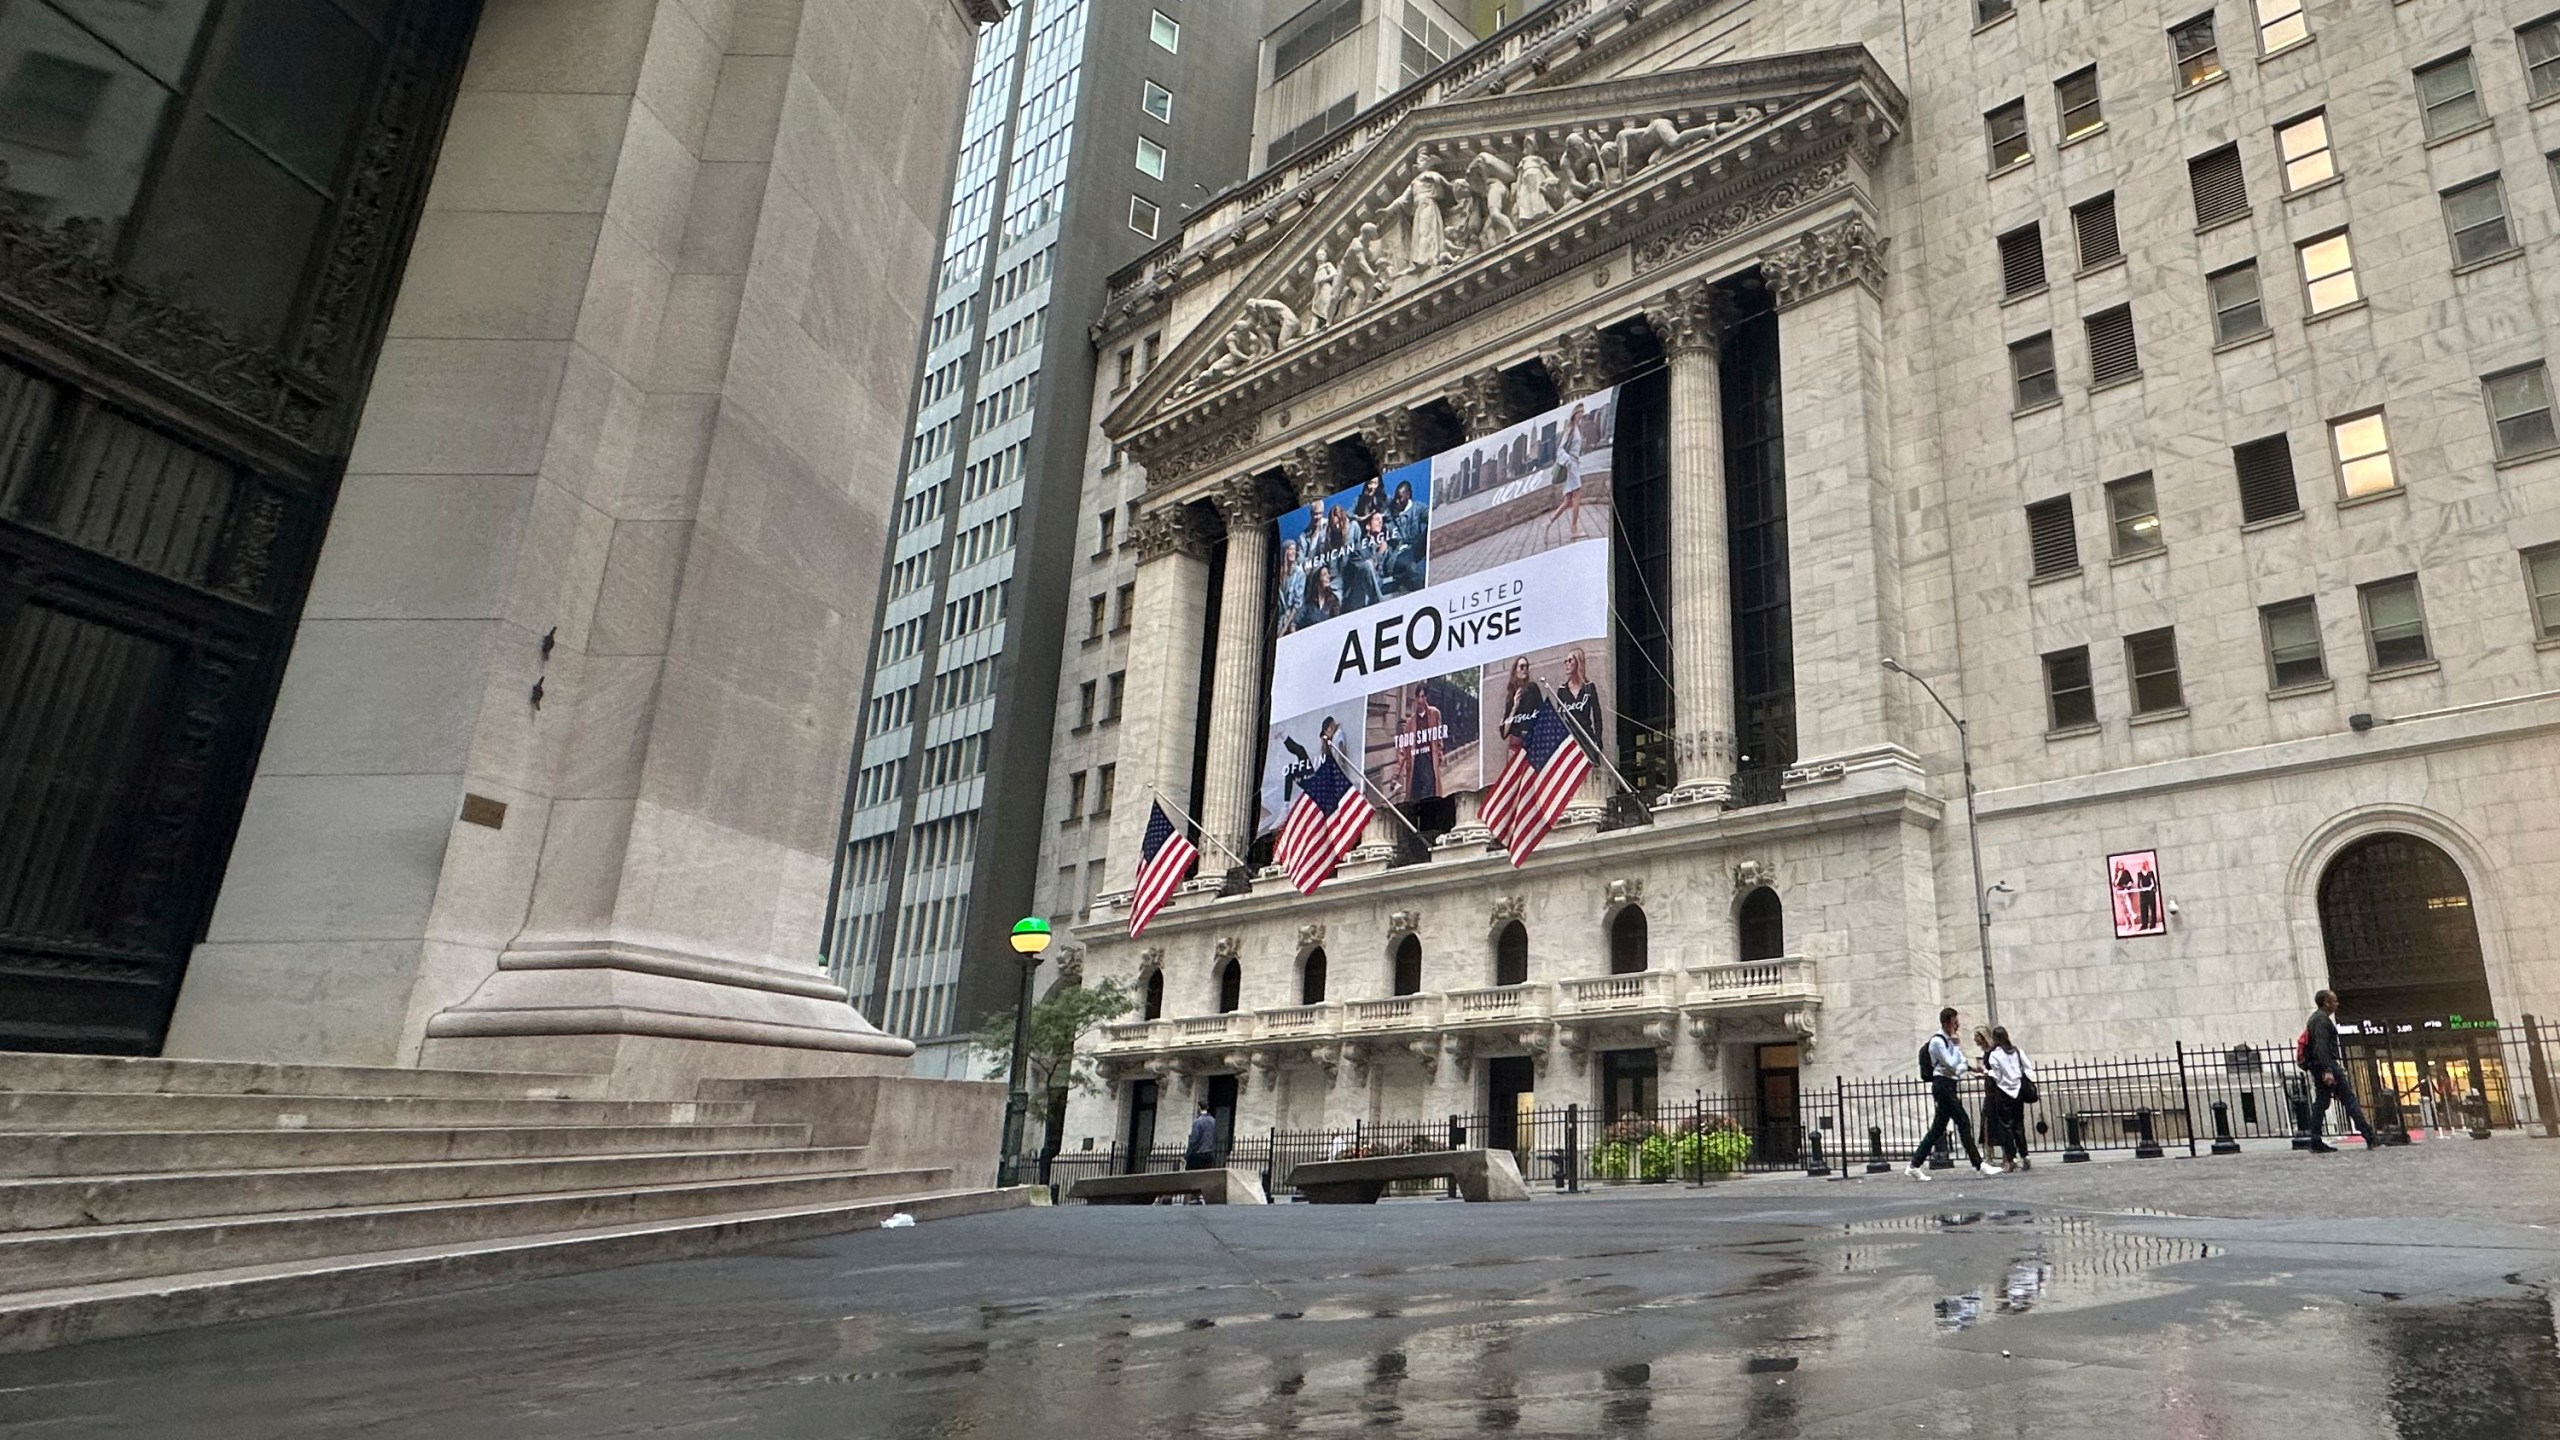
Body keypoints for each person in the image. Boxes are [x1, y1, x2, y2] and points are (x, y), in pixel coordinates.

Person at [1907, 1007, 2001, 1180]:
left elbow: (1960, 1063)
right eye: (1955, 1022)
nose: (1957, 1025)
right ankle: (1979, 1165)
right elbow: (1952, 1065)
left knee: (1937, 1129)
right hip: (1942, 1086)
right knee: (1963, 1122)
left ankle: (1914, 1165)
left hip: (1949, 1085)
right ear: (1946, 1022)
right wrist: (1958, 1053)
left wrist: (1973, 1069)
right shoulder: (1937, 1042)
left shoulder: (1949, 1040)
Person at [2302, 988, 2377, 1152]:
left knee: (2322, 1102)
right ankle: (2369, 1135)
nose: (2337, 1003)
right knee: (2348, 1100)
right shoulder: (2322, 1021)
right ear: (2326, 1003)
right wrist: (2328, 1070)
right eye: (2334, 1001)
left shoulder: (2315, 1019)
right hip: (2327, 1065)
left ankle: (2315, 1139)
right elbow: (2321, 1047)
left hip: (2319, 1065)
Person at [1983, 1027, 2034, 1171]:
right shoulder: (2017, 1051)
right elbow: (2028, 1069)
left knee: (2006, 1126)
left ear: (1994, 1039)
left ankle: (2011, 1158)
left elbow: (1997, 1075)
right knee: (2019, 1124)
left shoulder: (1995, 1055)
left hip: (2003, 1093)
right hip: (2018, 1091)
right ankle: (2025, 1155)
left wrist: (1987, 1073)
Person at [1396, 683, 1445, 803]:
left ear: (1427, 698)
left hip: (1429, 762)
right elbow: (1403, 750)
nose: (1420, 700)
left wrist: (1439, 755)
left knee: (1428, 796)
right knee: (1415, 798)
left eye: (1423, 697)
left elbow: (1439, 739)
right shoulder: (1410, 723)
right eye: (1418, 697)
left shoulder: (1434, 714)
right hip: (1415, 765)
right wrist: (1397, 772)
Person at [1184, 1103, 1218, 1171]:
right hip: (1209, 1154)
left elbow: (1194, 1139)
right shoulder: (1214, 1121)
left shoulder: (1198, 1121)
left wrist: (1187, 1154)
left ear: (1199, 1108)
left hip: (1198, 1154)